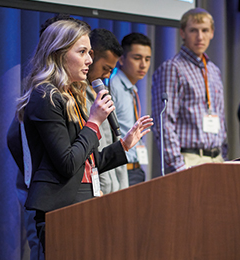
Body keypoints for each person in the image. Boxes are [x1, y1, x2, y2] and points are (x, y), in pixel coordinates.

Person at [15, 19, 153, 253]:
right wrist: (95, 122)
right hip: (60, 208)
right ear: (58, 53)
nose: (89, 59)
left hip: (83, 203)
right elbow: (68, 163)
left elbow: (87, 162)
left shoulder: (71, 94)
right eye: (82, 52)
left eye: (89, 52)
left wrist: (124, 145)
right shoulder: (45, 96)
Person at [152, 8, 227, 173]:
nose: (200, 37)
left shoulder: (214, 70)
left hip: (216, 157)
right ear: (182, 33)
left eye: (205, 30)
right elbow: (164, 121)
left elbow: (220, 117)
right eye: (193, 30)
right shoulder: (173, 68)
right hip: (189, 159)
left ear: (212, 33)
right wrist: (178, 165)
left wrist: (223, 155)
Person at [85, 28, 129, 194]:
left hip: (111, 190)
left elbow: (113, 141)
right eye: (105, 68)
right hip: (93, 191)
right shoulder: (73, 96)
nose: (106, 75)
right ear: (91, 56)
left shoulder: (102, 93)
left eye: (111, 70)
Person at [109, 33, 152, 185]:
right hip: (121, 169)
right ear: (121, 59)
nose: (143, 65)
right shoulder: (113, 86)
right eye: (137, 58)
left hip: (134, 168)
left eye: (147, 59)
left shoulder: (130, 88)